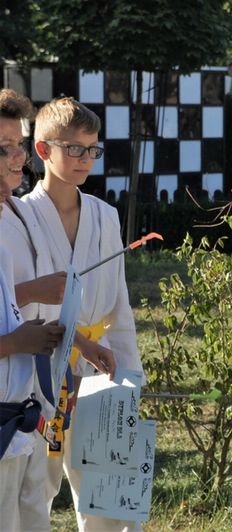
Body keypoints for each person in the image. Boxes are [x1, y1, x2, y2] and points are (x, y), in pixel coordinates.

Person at [24, 96, 142, 532]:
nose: (85, 159)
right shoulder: (18, 217)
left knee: (107, 486)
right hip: (38, 368)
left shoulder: (105, 216)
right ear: (43, 150)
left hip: (100, 363)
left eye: (92, 149)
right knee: (34, 487)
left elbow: (119, 304)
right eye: (74, 148)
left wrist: (129, 375)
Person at [0, 88, 65, 532]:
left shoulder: (18, 210)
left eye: (19, 144)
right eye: (4, 147)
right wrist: (15, 341)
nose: (18, 156)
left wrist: (70, 342)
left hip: (25, 406)